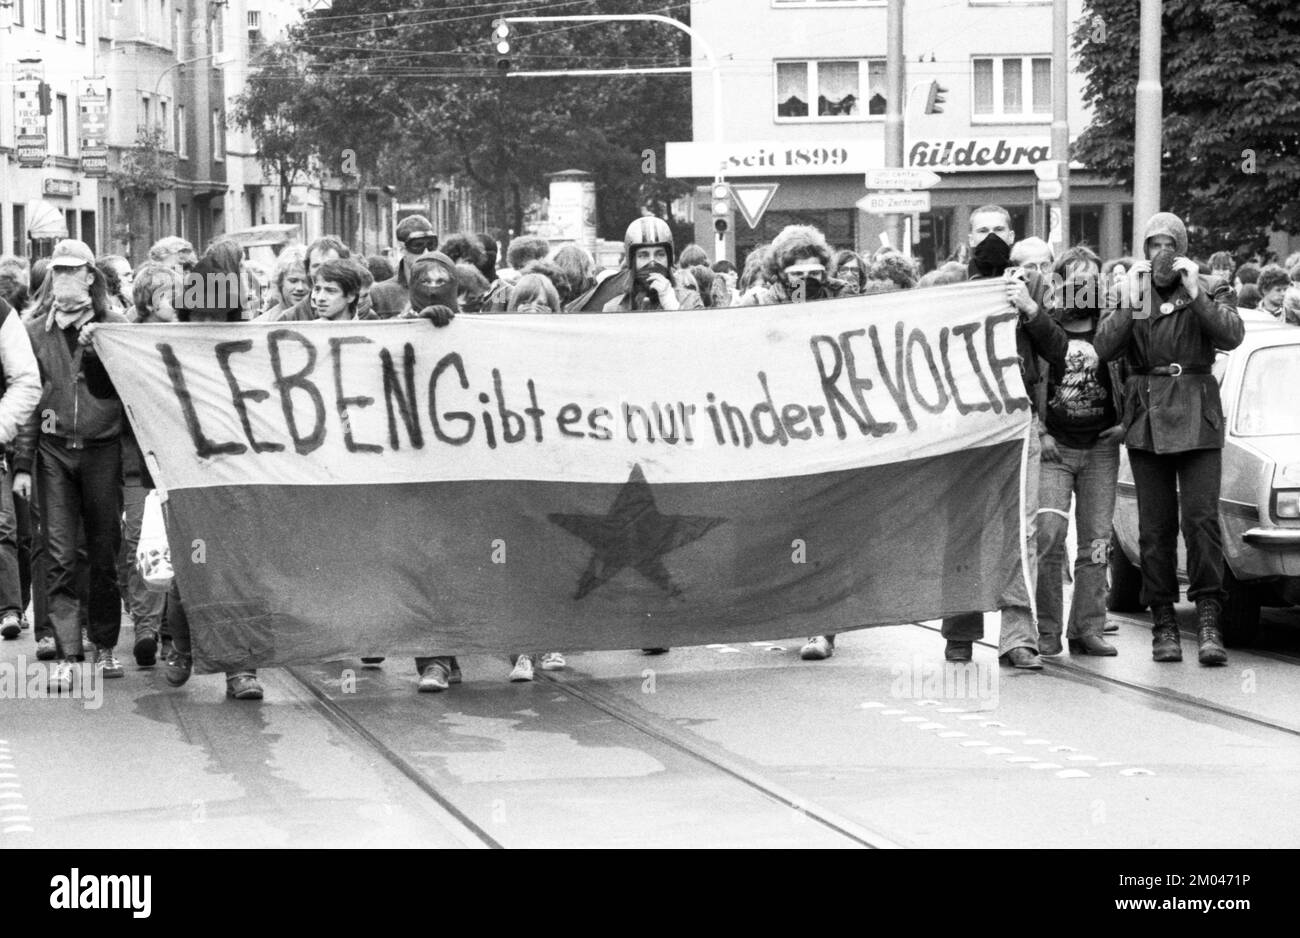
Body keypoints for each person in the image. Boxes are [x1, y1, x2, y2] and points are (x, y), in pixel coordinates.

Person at [1093, 211, 1244, 666]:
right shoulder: (1131, 292)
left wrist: (1196, 291)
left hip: (1198, 410)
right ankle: (1162, 620)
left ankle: (1209, 618)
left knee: (1201, 522)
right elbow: (1103, 347)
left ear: (1181, 246)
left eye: (1168, 244)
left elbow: (1231, 334)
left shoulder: (1210, 283)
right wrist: (1128, 297)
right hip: (1147, 416)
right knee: (1155, 529)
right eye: (1153, 244)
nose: (1161, 253)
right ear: (1143, 249)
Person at [941, 205, 1068, 670]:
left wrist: (1029, 308)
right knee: (964, 530)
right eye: (982, 231)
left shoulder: (1031, 286)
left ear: (1013, 236)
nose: (991, 237)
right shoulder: (949, 287)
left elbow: (1057, 351)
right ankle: (959, 632)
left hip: (1018, 424)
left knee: (1023, 531)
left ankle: (1018, 637)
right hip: (967, 429)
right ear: (969, 238)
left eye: (999, 229)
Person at [731, 224, 853, 660]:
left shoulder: (843, 302)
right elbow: (726, 344)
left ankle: (821, 628)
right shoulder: (758, 303)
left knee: (826, 529)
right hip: (778, 434)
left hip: (833, 433)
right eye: (796, 272)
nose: (807, 280)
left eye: (815, 271)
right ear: (780, 271)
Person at [11, 240, 128, 693]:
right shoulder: (33, 331)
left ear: (90, 277)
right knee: (58, 552)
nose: (63, 280)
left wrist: (99, 353)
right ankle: (66, 653)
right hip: (53, 452)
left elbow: (126, 394)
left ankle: (103, 643)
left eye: (72, 271)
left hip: (102, 449)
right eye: (56, 272)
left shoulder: (113, 327)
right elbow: (27, 401)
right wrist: (23, 462)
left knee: (103, 552)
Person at [1035, 247, 1122, 658]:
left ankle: (1087, 627)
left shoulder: (1111, 325)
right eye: (1075, 275)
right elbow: (1025, 380)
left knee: (1098, 541)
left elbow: (1138, 371)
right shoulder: (1044, 326)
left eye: (1091, 275)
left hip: (1101, 451)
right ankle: (1046, 628)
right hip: (1055, 448)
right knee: (1050, 537)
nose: (1083, 283)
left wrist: (1126, 423)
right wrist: (1040, 433)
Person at [0, 273, 41, 642]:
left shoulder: (3, 316)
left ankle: (11, 607)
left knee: (9, 530)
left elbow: (28, 383)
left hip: (7, 444)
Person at [370, 217, 438, 319]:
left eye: (431, 245)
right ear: (402, 249)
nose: (426, 253)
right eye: (418, 245)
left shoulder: (448, 288)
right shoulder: (380, 294)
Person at [262, 246, 310, 319]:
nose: (300, 288)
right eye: (293, 281)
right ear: (280, 283)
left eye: (306, 281)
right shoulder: (265, 322)